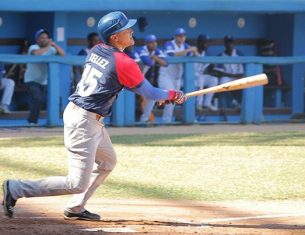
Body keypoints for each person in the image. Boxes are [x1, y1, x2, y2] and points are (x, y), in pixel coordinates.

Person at [2, 11, 187, 221]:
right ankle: (16, 188)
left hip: (88, 118)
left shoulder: (97, 49)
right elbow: (150, 93)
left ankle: (76, 206)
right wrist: (174, 94)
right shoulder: (124, 62)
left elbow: (121, 83)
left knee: (108, 162)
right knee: (76, 183)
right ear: (115, 37)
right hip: (84, 121)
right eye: (127, 29)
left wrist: (162, 95)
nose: (131, 31)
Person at [24, 29, 65, 126]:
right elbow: (36, 53)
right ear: (37, 40)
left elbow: (63, 55)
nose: (44, 39)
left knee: (41, 100)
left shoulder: (50, 48)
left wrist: (54, 44)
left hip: (43, 81)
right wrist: (48, 45)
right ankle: (32, 121)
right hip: (31, 79)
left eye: (46, 38)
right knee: (37, 98)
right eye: (42, 38)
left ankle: (34, 121)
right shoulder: (33, 47)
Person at [158, 28, 198, 123]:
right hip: (166, 76)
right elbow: (171, 54)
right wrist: (189, 50)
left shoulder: (185, 46)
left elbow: (196, 55)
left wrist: (194, 51)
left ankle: (169, 119)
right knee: (171, 97)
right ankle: (166, 121)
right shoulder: (169, 44)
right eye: (179, 36)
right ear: (175, 37)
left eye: (183, 36)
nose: (181, 38)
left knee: (175, 100)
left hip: (177, 78)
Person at [139, 34, 167, 123]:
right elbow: (149, 63)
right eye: (151, 42)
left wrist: (154, 57)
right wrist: (155, 59)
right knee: (148, 97)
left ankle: (144, 119)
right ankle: (143, 119)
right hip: (136, 80)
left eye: (155, 42)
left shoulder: (156, 51)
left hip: (146, 80)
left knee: (152, 96)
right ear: (147, 43)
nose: (154, 44)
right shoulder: (143, 50)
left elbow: (166, 63)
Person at [215, 35, 244, 109]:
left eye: (231, 42)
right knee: (222, 83)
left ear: (234, 43)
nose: (229, 45)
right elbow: (219, 73)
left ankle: (245, 105)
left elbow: (242, 71)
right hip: (226, 77)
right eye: (228, 43)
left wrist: (238, 76)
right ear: (225, 44)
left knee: (247, 82)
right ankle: (235, 103)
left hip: (237, 77)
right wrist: (232, 75)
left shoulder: (239, 54)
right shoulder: (221, 56)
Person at [195, 34, 218, 111]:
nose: (207, 45)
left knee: (214, 80)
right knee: (200, 78)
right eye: (205, 42)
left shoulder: (205, 54)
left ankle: (207, 103)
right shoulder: (192, 52)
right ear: (199, 43)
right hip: (188, 78)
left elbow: (207, 69)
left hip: (199, 77)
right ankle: (199, 103)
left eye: (207, 43)